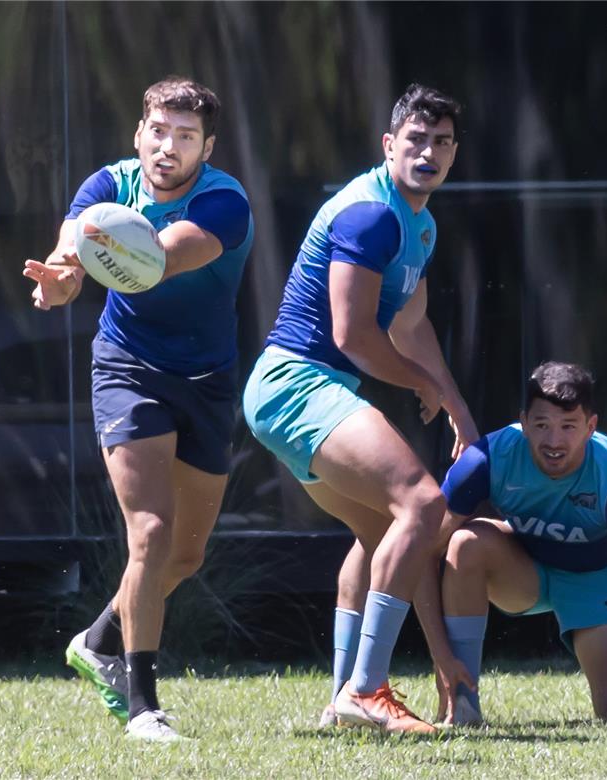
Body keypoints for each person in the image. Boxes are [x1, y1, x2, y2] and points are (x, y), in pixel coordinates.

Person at [21, 77, 254, 742]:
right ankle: (144, 704)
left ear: (207, 147)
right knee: (149, 533)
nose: (168, 147)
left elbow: (165, 257)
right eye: (159, 131)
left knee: (183, 557)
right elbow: (73, 248)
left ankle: (95, 641)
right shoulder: (106, 185)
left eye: (185, 137)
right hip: (129, 370)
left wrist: (97, 259)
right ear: (139, 134)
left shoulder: (225, 204)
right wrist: (65, 277)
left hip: (208, 382)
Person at [242, 83, 479, 735]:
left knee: (391, 530)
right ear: (389, 145)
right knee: (425, 504)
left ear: (455, 154)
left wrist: (455, 405)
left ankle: (349, 699)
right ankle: (365, 690)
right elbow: (355, 337)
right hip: (296, 382)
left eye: (442, 142)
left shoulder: (420, 224)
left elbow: (413, 326)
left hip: (302, 390)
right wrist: (418, 387)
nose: (428, 152)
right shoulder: (371, 214)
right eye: (416, 140)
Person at [420, 361, 607, 726]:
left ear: (591, 426)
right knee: (464, 543)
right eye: (541, 425)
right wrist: (441, 654)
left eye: (569, 426)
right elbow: (422, 551)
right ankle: (464, 703)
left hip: (598, 580)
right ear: (522, 423)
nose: (554, 441)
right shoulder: (487, 458)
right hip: (524, 571)